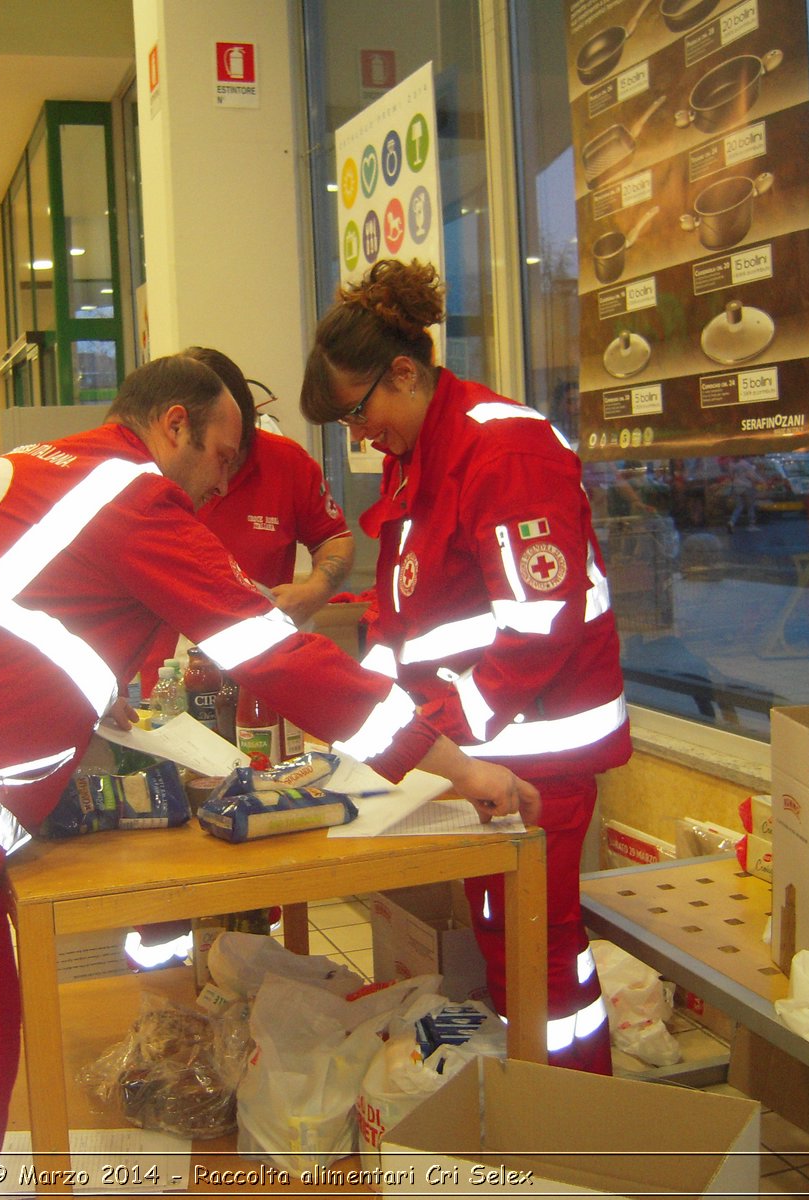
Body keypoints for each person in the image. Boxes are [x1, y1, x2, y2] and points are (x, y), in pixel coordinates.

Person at [0, 354, 537, 1199]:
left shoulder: (38, 467)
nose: (221, 488)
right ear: (174, 424)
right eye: (221, 458)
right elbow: (277, 658)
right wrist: (457, 767)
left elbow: (24, 625)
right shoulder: (128, 493)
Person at [298, 259, 631, 1075]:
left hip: (534, 748)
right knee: (503, 937)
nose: (360, 435)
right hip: (480, 750)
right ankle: (534, 1096)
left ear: (403, 372)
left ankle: (580, 1119)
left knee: (542, 949)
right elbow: (406, 619)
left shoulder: (500, 447)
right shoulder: (423, 451)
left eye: (357, 412)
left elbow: (538, 625)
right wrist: (374, 722)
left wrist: (432, 736)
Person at [139, 345, 355, 693]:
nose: (222, 482)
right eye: (218, 456)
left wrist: (314, 590)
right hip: (166, 678)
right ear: (180, 431)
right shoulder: (148, 473)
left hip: (257, 673)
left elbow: (335, 538)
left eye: (235, 453)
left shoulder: (286, 463)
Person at [726, 456, 763, 531]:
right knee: (750, 506)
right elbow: (752, 476)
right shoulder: (745, 464)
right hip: (746, 486)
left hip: (736, 487)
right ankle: (751, 525)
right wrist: (762, 481)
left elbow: (731, 476)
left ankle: (731, 522)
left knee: (739, 506)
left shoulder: (731, 464)